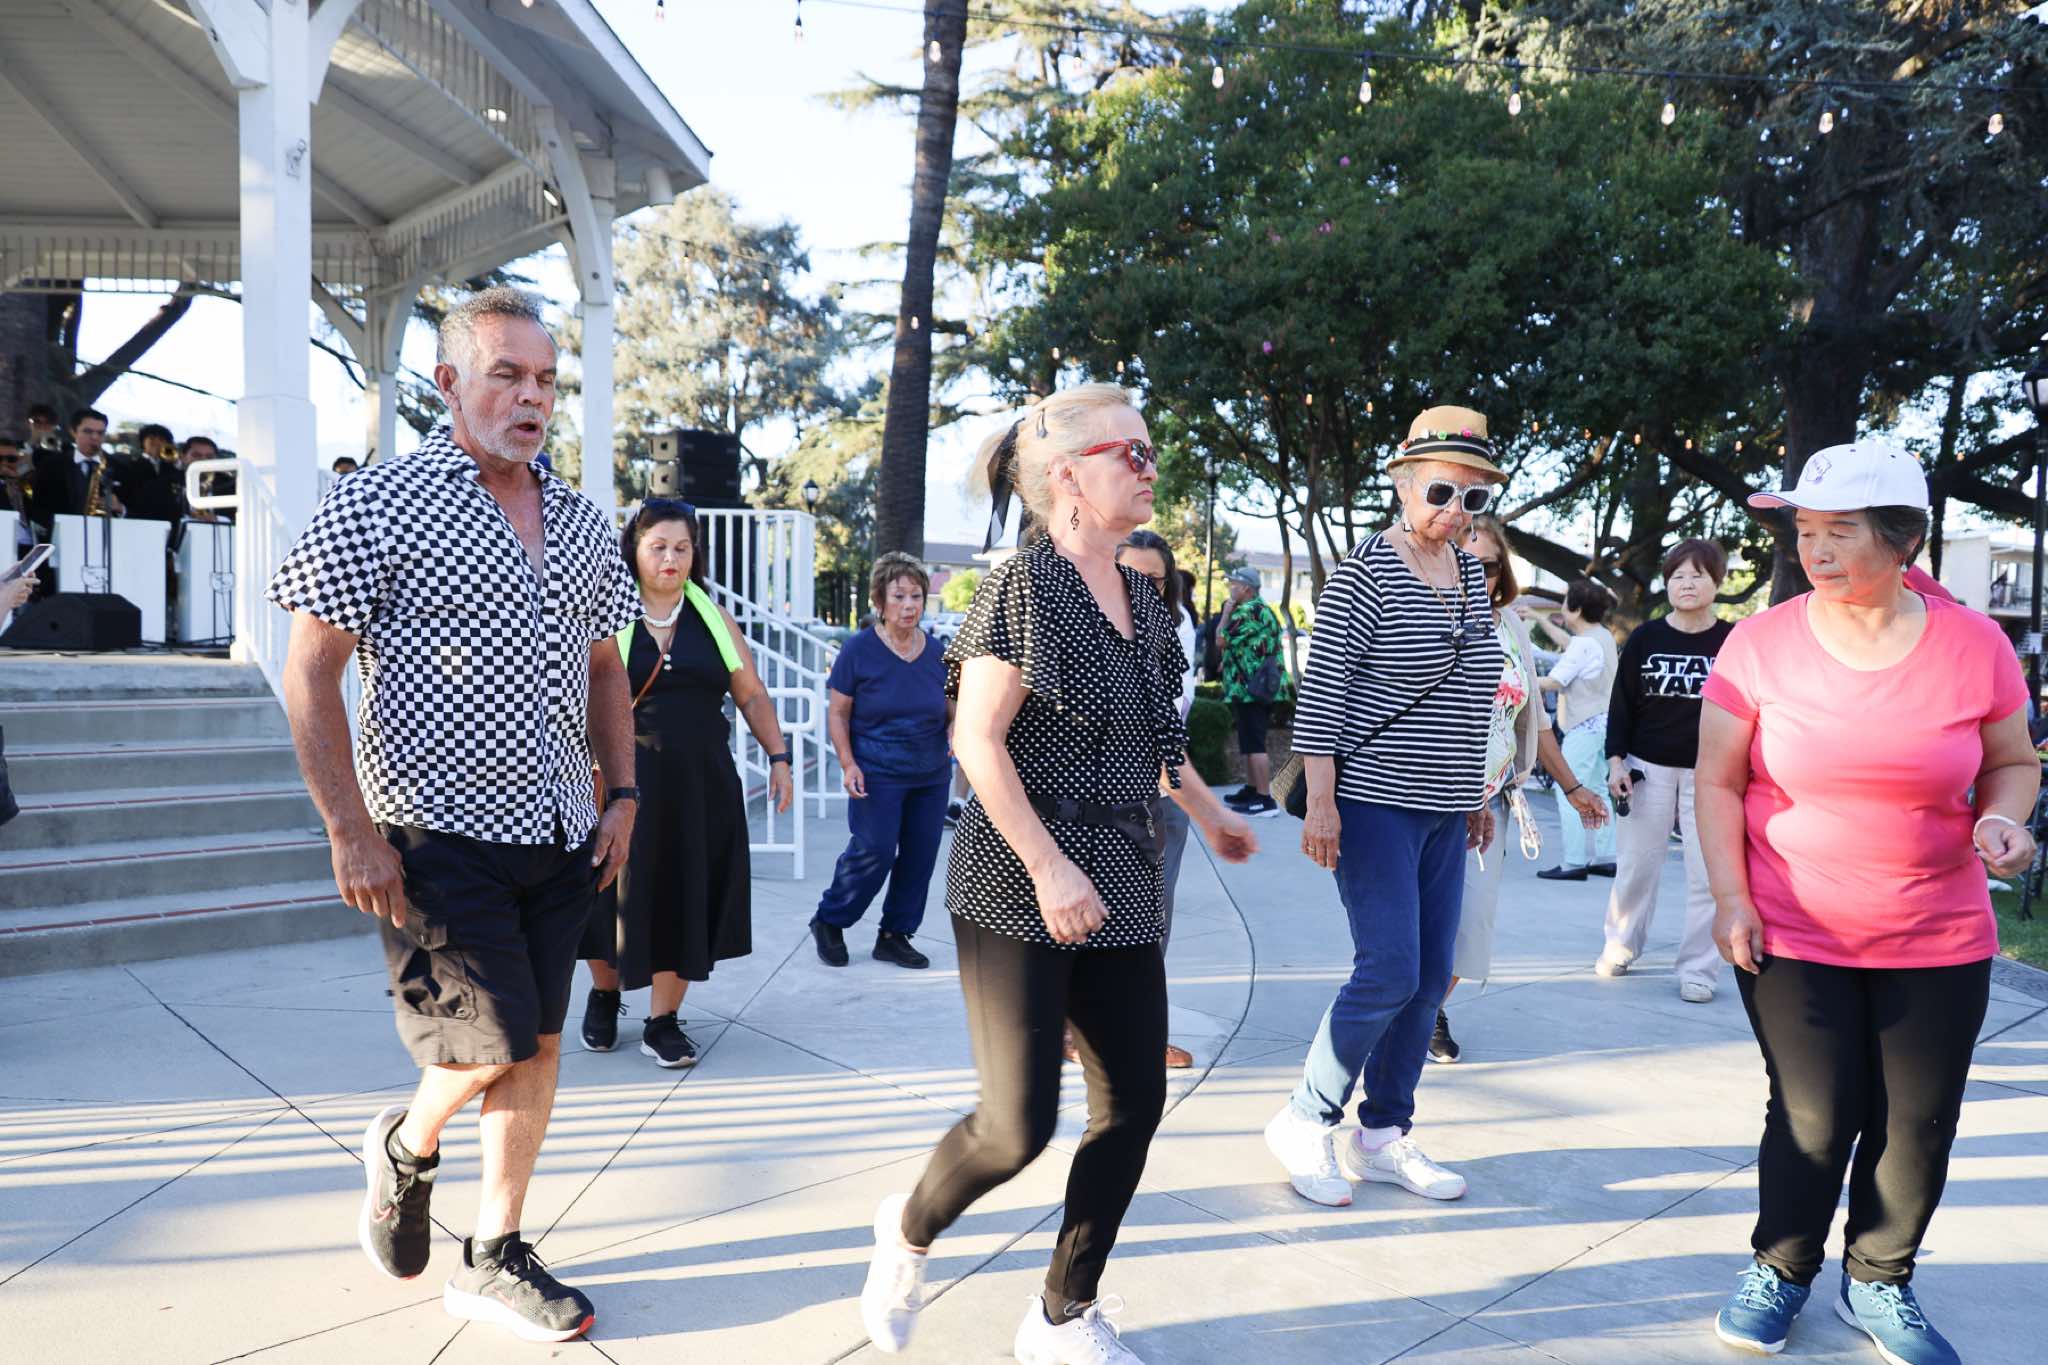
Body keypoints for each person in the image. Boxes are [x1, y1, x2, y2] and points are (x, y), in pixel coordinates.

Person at [267, 286, 642, 1344]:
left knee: (539, 1044)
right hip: (431, 833)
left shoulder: (581, 521)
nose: (532, 399)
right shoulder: (378, 502)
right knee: (487, 1043)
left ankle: (495, 1250)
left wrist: (622, 793)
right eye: (507, 375)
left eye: (546, 381)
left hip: (560, 829)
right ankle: (406, 1143)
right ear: (448, 383)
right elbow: (311, 672)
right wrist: (348, 829)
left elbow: (606, 669)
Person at [858, 384, 1256, 1365]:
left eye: (1150, 449)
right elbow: (976, 740)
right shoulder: (1024, 588)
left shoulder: (1146, 599)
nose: (1151, 465)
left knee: (1132, 1104)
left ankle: (1062, 1313)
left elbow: (1160, 740)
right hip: (1015, 880)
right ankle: (906, 1230)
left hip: (1121, 878)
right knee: (1015, 1127)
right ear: (1069, 477)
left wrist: (1211, 814)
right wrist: (1048, 867)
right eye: (1132, 451)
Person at [1697, 441, 2037, 1365]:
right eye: (1806, 530)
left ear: (1902, 538)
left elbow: (2012, 762)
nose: (1815, 549)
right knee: (1813, 1114)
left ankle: (1880, 1277)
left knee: (1916, 1122)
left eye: (1840, 531)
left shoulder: (1976, 645)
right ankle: (1781, 1266)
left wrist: (2004, 820)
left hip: (1939, 931)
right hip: (1792, 923)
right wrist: (1730, 896)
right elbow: (1719, 780)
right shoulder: (1759, 642)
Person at [1265, 405, 1504, 1210]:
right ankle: (1305, 1117)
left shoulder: (1469, 576)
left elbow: (1474, 692)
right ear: (1402, 483)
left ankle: (1383, 1131)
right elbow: (1323, 694)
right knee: (1390, 968)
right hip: (1370, 801)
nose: (1457, 510)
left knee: (1432, 976)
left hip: (1445, 805)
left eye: (1474, 497)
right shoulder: (1365, 573)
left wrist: (1475, 791)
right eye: (1441, 490)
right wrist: (1321, 803)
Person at [579, 497, 794, 1066]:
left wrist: (779, 756)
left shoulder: (713, 617)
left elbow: (750, 693)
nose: (670, 559)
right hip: (620, 779)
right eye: (658, 547)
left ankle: (663, 1020)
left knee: (685, 893)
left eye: (681, 547)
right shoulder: (607, 614)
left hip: (699, 783)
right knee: (605, 895)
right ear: (634, 550)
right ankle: (604, 994)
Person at [1434, 516, 1610, 1064]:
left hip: (1489, 804)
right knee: (1414, 926)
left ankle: (1427, 1011)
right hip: (1422, 801)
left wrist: (1574, 787)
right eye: (1460, 561)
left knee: (1470, 926)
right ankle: (1401, 1015)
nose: (1474, 575)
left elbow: (1533, 719)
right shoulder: (1418, 612)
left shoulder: (1510, 625)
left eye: (1486, 566)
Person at [1595, 538, 1735, 1001]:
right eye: (1677, 576)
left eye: (1698, 575)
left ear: (1717, 583)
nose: (1687, 583)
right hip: (1646, 767)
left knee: (1707, 875)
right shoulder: (1646, 638)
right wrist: (1616, 761)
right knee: (1637, 865)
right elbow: (1621, 704)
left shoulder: (1734, 641)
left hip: (1711, 774)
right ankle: (1621, 943)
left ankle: (1699, 968)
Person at [809, 551, 951, 971]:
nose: (909, 605)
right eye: (899, 596)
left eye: (916, 596)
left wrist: (955, 729)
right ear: (880, 601)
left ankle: (894, 935)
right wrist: (848, 763)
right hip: (876, 772)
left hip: (930, 774)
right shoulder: (859, 651)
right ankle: (830, 919)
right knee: (875, 850)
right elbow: (838, 714)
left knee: (920, 856)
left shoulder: (938, 652)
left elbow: (951, 707)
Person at [1117, 528, 1200, 1069]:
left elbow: (1176, 703)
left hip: (1161, 789)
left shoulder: (1177, 624)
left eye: (1157, 579)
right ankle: (1080, 1029)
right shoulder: (1080, 621)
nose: (1145, 588)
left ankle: (1141, 1031)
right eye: (1133, 576)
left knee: (1155, 913)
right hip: (1098, 798)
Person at [1530, 578, 1617, 880]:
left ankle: (1574, 861)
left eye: (1566, 603)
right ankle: (1606, 856)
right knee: (1598, 787)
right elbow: (1569, 646)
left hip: (1584, 725)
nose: (1563, 607)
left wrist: (1517, 679)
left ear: (1577, 609)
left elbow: (1556, 680)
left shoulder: (1584, 643)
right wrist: (1539, 618)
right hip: (1605, 723)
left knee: (1568, 788)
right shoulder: (1601, 636)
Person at [1219, 565, 1285, 817]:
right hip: (1252, 688)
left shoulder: (1248, 611)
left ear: (1246, 588)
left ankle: (1264, 799)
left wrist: (1226, 612)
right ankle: (1252, 789)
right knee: (1249, 742)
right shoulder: (1261, 610)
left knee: (1255, 744)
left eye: (1233, 584)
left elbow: (1220, 639)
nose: (1230, 588)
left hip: (1251, 690)